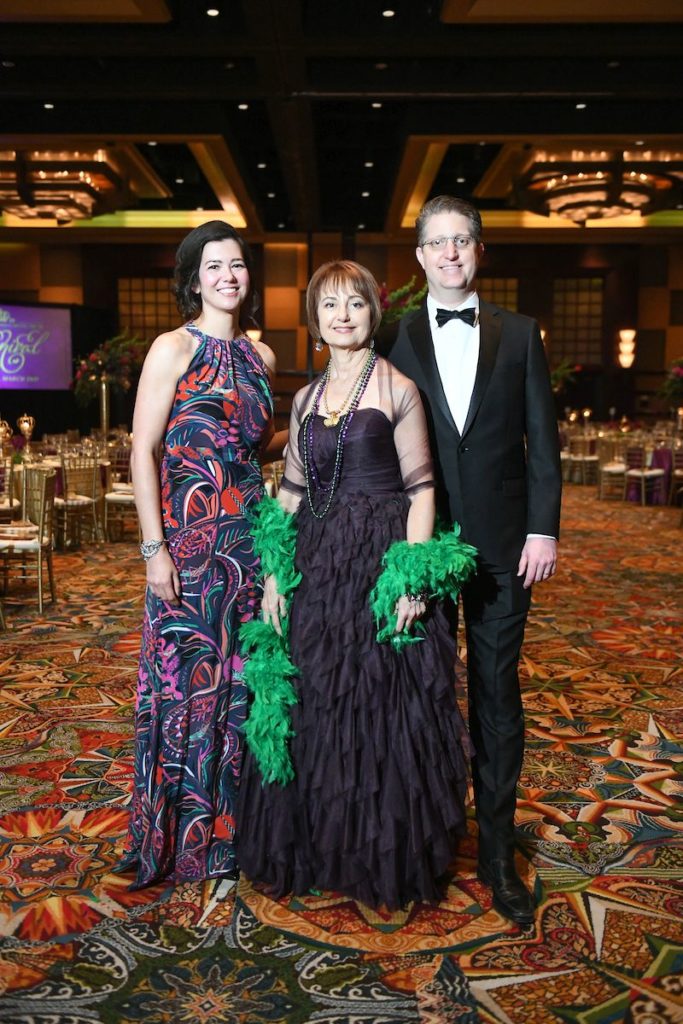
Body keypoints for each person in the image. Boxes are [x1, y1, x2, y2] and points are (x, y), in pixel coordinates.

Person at [236, 260, 476, 910]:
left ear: (373, 312)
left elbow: (422, 491)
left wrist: (410, 579)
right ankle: (320, 846)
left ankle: (376, 851)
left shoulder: (397, 387)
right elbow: (287, 494)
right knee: (315, 701)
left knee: (378, 706)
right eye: (330, 307)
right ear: (314, 321)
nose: (343, 317)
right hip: (316, 564)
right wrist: (272, 577)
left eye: (356, 305)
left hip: (377, 560)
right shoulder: (306, 398)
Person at [384, 195, 562, 927]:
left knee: (495, 693)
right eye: (437, 243)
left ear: (478, 251)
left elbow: (540, 442)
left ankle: (495, 852)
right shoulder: (392, 338)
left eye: (462, 241)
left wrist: (542, 530)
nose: (450, 254)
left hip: (501, 546)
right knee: (421, 694)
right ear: (420, 257)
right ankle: (427, 836)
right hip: (422, 546)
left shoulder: (519, 335)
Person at [118, 220, 276, 888]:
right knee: (185, 687)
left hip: (249, 543)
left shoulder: (262, 357)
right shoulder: (171, 349)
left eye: (236, 265)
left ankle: (231, 839)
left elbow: (256, 450)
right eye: (214, 266)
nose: (227, 276)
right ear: (193, 278)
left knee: (240, 689)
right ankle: (171, 840)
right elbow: (142, 451)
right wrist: (154, 549)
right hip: (187, 547)